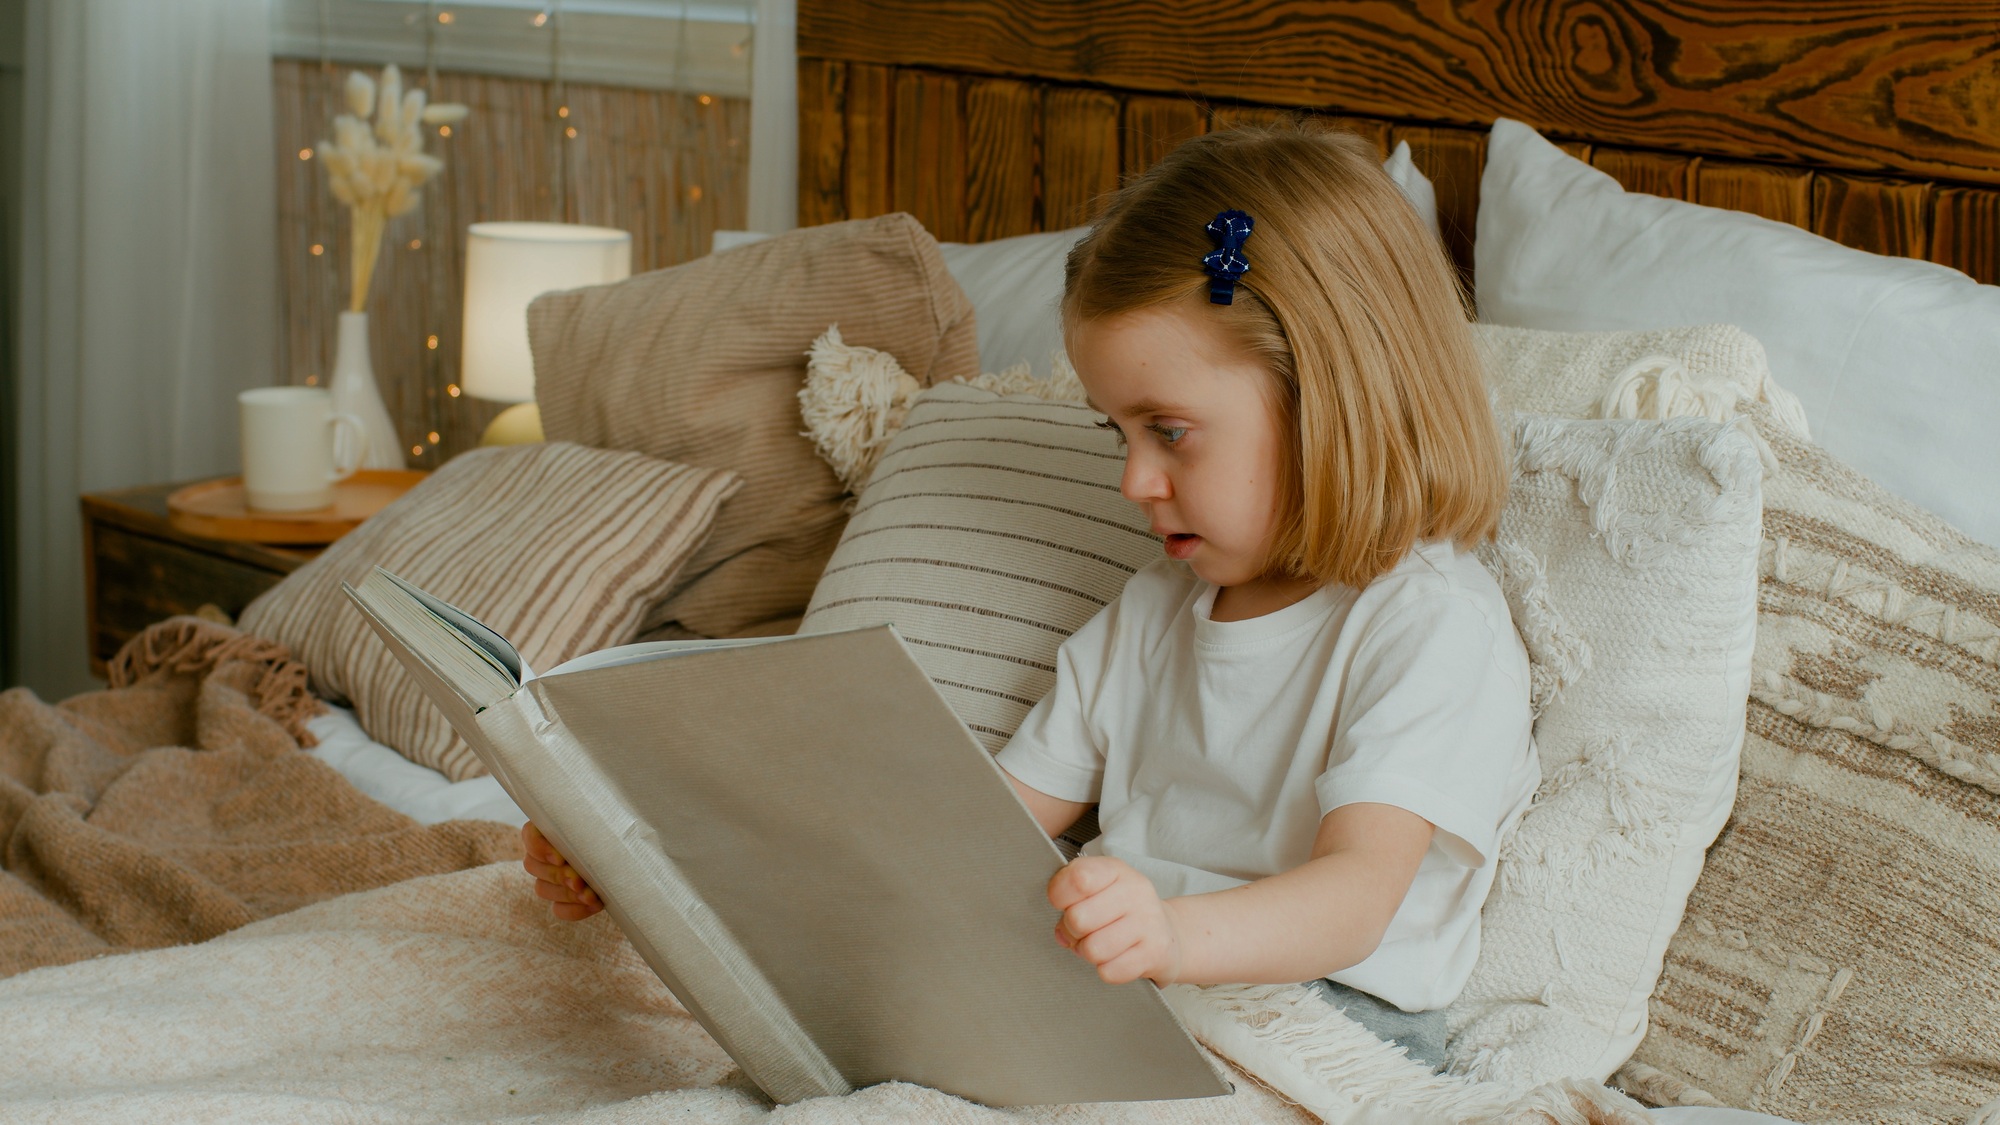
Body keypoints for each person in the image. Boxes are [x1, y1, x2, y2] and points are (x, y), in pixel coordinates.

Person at [521, 124, 1537, 1070]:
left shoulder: (1423, 625)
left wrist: (1172, 934)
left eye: (1168, 431)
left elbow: (1355, 901)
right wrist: (653, 856)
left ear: (1330, 399)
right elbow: (964, 839)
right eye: (1117, 435)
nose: (1133, 482)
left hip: (1332, 1023)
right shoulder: (1149, 615)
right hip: (1138, 1002)